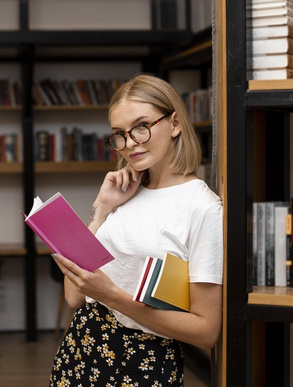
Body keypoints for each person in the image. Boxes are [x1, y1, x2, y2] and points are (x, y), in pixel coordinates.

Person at [49, 74, 223, 386]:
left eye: (142, 127)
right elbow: (74, 297)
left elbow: (206, 332)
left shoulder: (203, 208)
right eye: (120, 134)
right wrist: (101, 209)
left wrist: (112, 296)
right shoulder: (124, 192)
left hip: (142, 360)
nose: (130, 143)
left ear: (174, 124)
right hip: (80, 351)